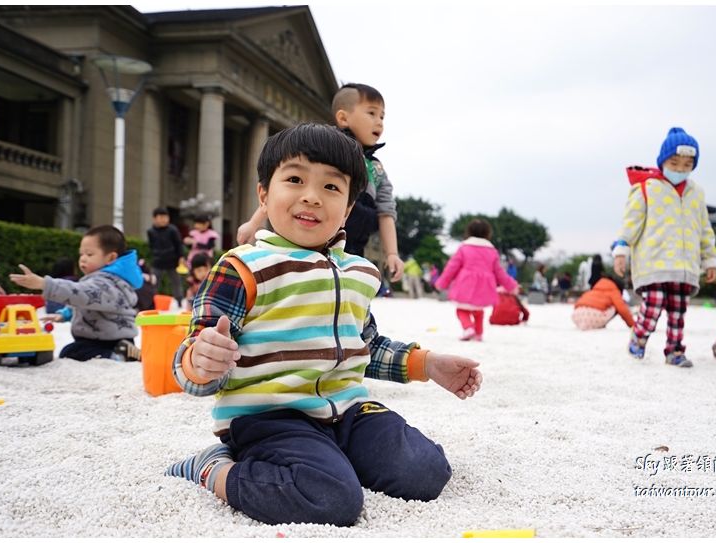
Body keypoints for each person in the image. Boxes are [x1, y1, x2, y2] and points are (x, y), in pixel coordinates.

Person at [165, 123, 481, 527]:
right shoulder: (244, 267)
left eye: (332, 188)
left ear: (349, 207)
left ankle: (334, 455)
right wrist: (201, 360)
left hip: (348, 412)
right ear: (264, 194)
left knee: (426, 471)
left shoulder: (358, 273)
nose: (311, 197)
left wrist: (428, 364)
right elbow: (191, 361)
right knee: (331, 500)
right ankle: (212, 468)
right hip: (271, 418)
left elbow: (366, 346)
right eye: (294, 179)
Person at [236, 83, 404, 283]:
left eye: (382, 116)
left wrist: (392, 252)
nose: (379, 122)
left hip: (352, 245)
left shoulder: (377, 170)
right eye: (372, 113)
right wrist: (254, 223)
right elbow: (280, 186)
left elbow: (386, 211)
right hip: (314, 238)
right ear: (343, 117)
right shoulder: (320, 151)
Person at [612, 127, 716, 368]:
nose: (680, 169)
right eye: (675, 162)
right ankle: (639, 339)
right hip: (654, 260)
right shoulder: (646, 188)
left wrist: (710, 259)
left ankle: (675, 350)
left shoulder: (696, 193)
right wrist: (622, 249)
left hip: (685, 265)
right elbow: (631, 223)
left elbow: (704, 229)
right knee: (653, 304)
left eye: (687, 164)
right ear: (662, 161)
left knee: (678, 311)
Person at [9, 225, 143, 362]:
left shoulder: (106, 283)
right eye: (81, 254)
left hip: (108, 341)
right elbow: (86, 302)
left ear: (111, 258)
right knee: (72, 350)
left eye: (89, 254)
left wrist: (44, 284)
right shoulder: (108, 280)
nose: (83, 259)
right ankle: (123, 351)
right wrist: (65, 314)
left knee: (71, 352)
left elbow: (80, 293)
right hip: (109, 338)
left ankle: (119, 355)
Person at [435, 219, 517, 341]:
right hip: (484, 286)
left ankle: (468, 328)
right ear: (487, 233)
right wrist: (511, 285)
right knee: (479, 311)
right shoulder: (492, 250)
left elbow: (452, 267)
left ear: (469, 232)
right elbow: (499, 272)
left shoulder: (464, 247)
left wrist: (442, 282)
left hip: (466, 283)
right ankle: (478, 333)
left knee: (462, 309)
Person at [147, 207, 185, 309]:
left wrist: (181, 257)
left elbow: (179, 244)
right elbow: (151, 246)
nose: (163, 219)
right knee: (154, 282)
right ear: (154, 218)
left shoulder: (173, 230)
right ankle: (151, 302)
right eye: (161, 217)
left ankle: (179, 301)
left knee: (176, 282)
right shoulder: (150, 231)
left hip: (172, 261)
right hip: (157, 261)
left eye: (165, 217)